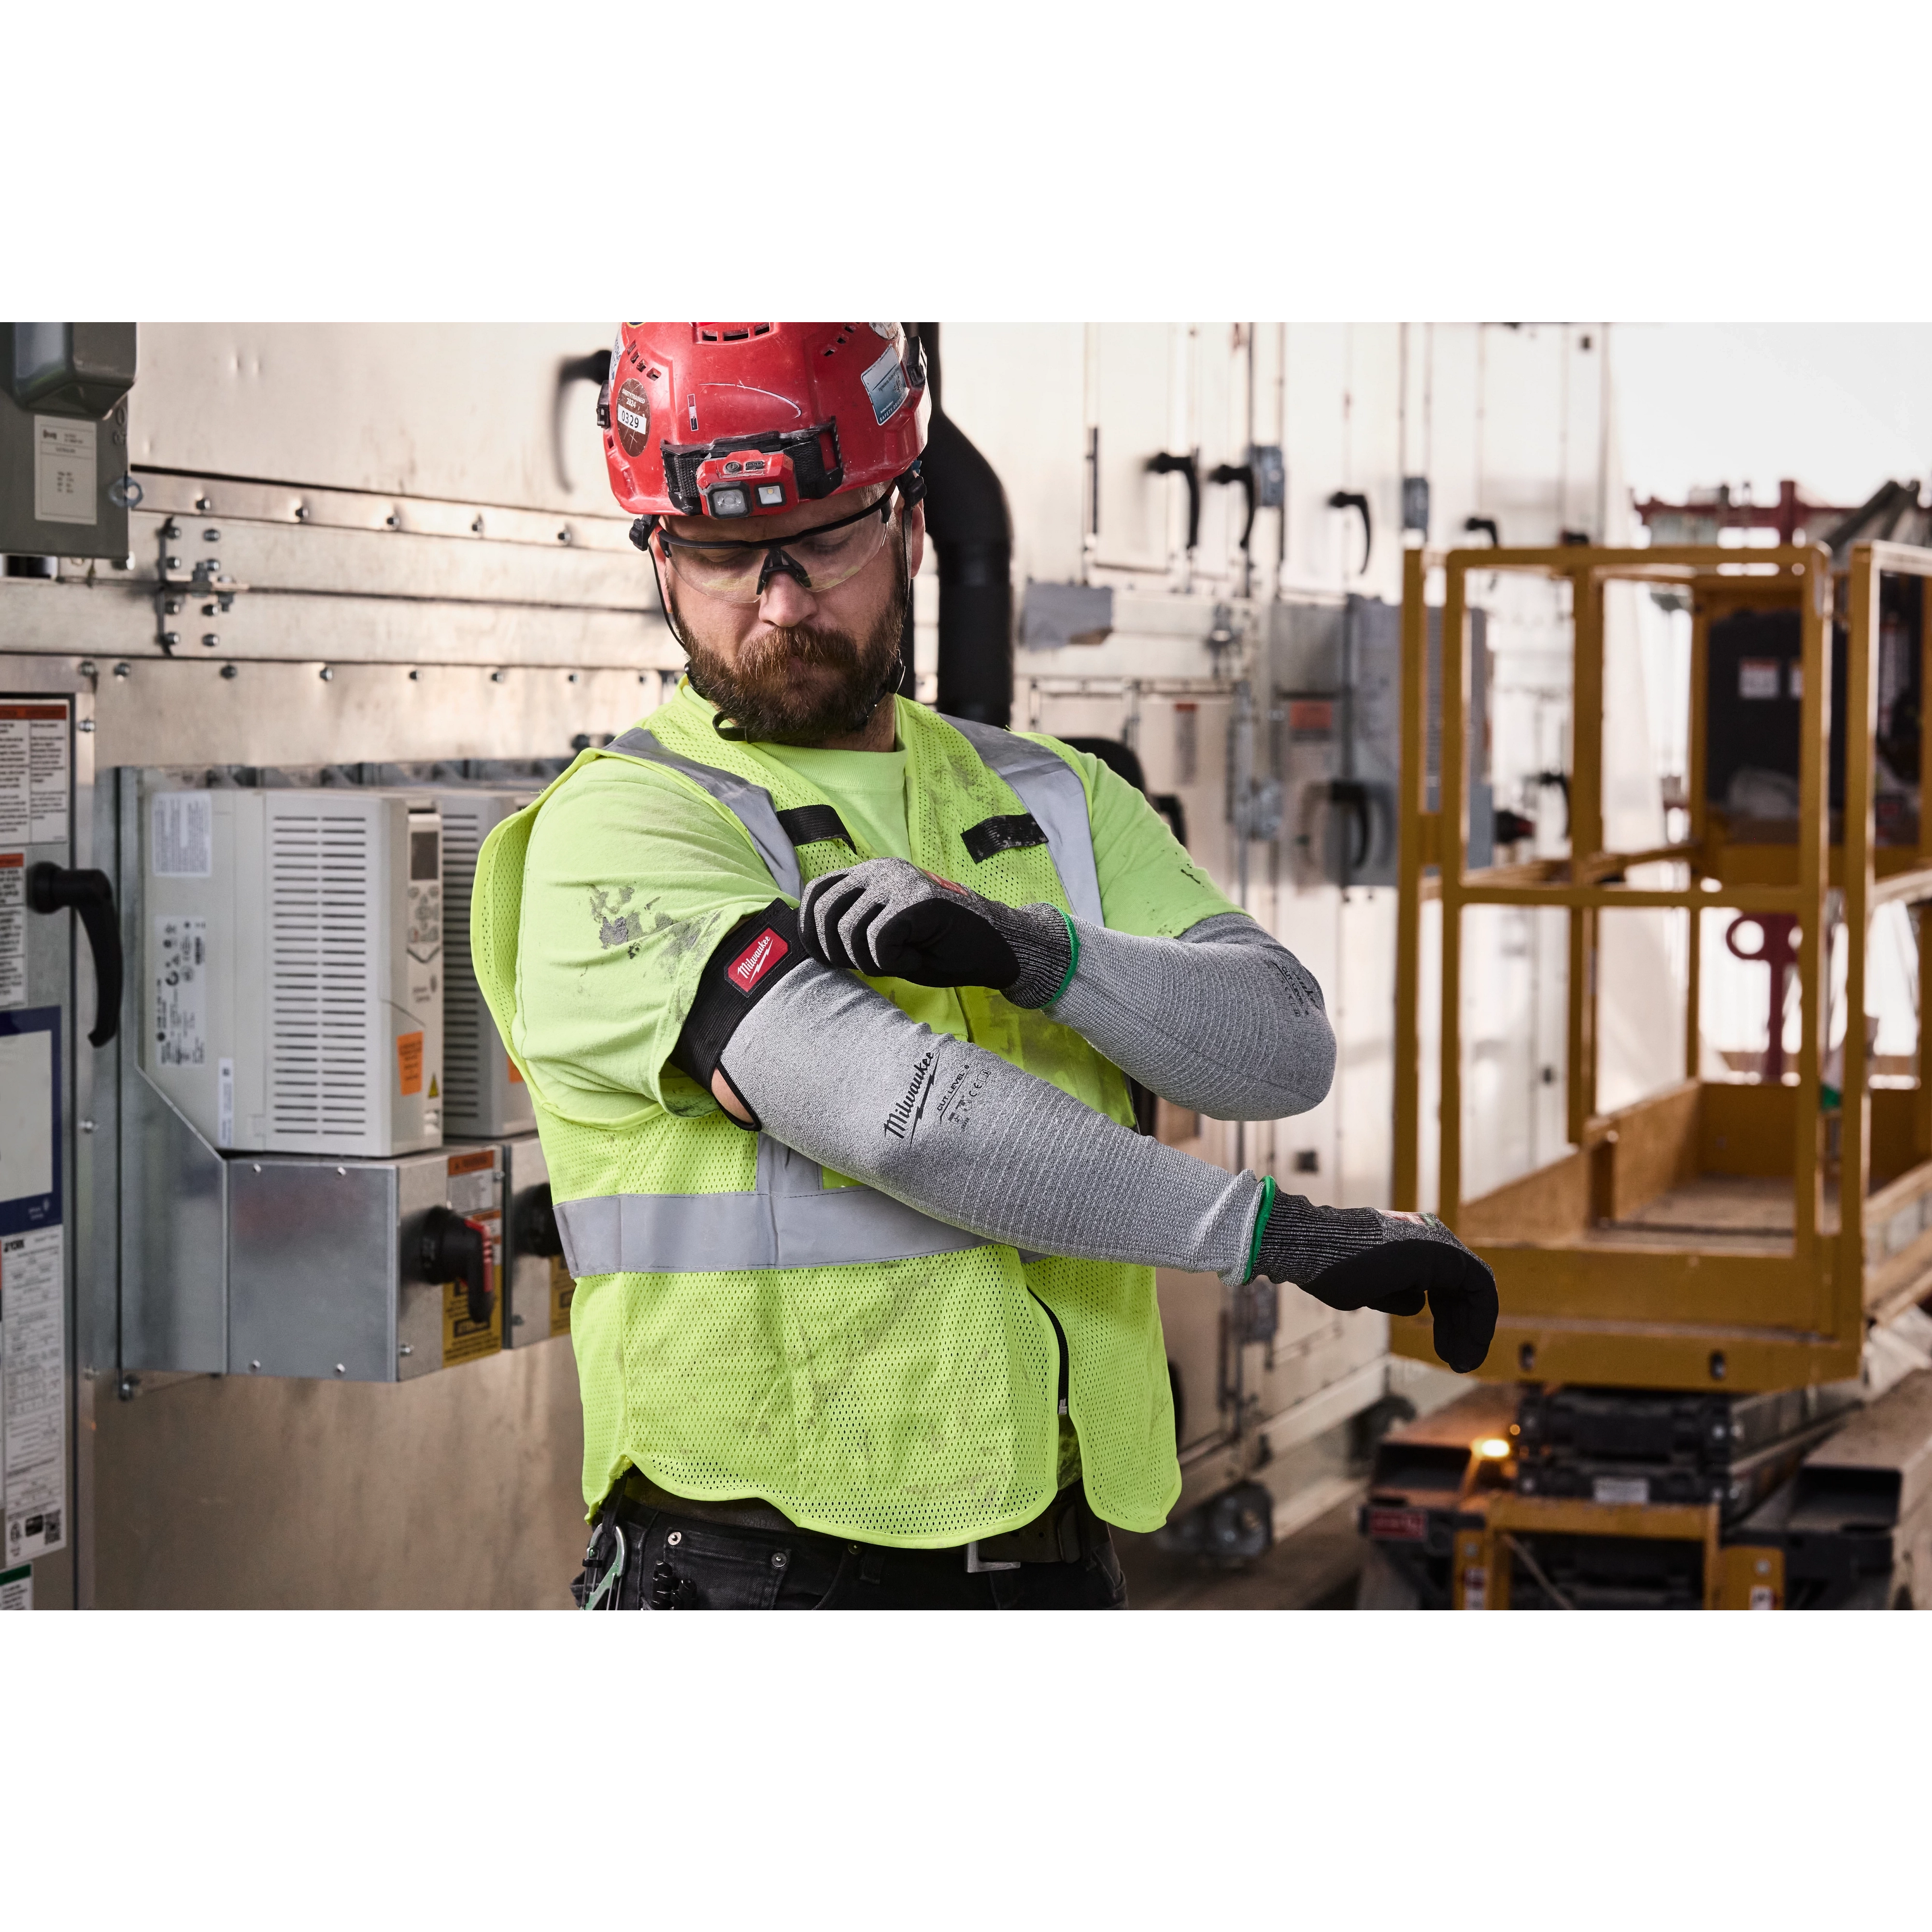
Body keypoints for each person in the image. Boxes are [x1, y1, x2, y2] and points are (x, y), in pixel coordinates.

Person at [472, 319, 1495, 1612]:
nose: (781, 601)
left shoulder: (1054, 795)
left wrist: (1039, 953)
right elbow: (904, 1120)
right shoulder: (625, 826)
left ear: (909, 527)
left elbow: (1279, 1043)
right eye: (728, 555)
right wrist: (1272, 1232)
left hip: (1051, 1553)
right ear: (661, 561)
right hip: (755, 1565)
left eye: (828, 538)